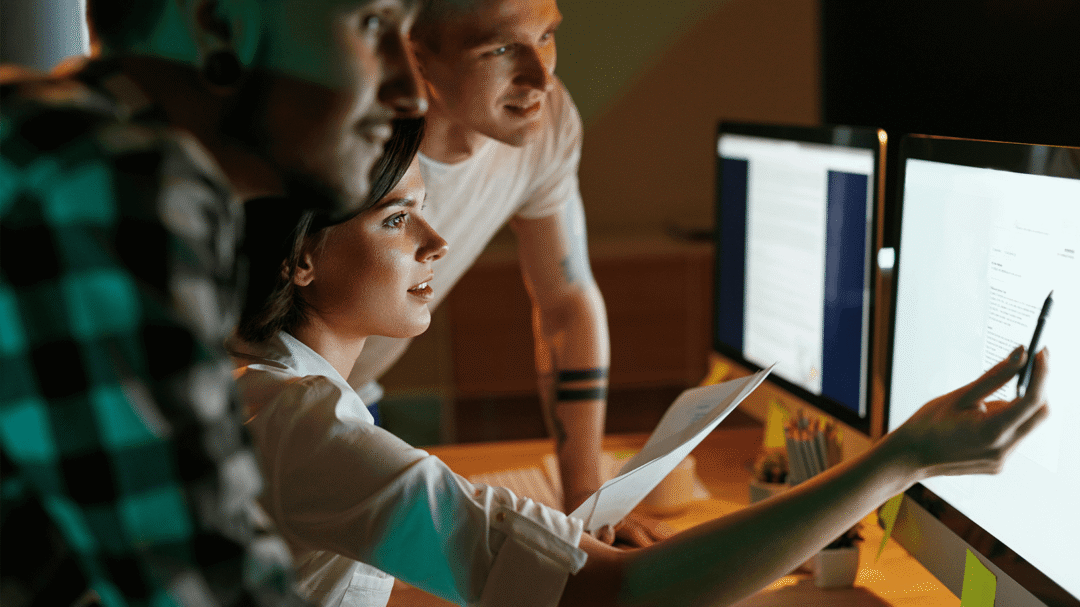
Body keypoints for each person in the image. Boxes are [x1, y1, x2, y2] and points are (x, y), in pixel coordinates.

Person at [232, 120, 1051, 606]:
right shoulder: (305, 423)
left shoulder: (265, 391)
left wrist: (548, 549)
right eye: (396, 219)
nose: (436, 242)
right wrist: (898, 459)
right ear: (301, 256)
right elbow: (621, 597)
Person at [0, 0, 425, 604]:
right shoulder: (114, 178)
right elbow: (199, 578)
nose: (412, 91)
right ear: (220, 25)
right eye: (375, 26)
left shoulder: (65, 142)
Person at [347, 0, 654, 544]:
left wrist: (586, 499)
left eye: (547, 37)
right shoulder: (347, 138)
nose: (541, 75)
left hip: (358, 397)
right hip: (253, 398)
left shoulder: (548, 120)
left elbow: (567, 302)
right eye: (503, 48)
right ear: (414, 51)